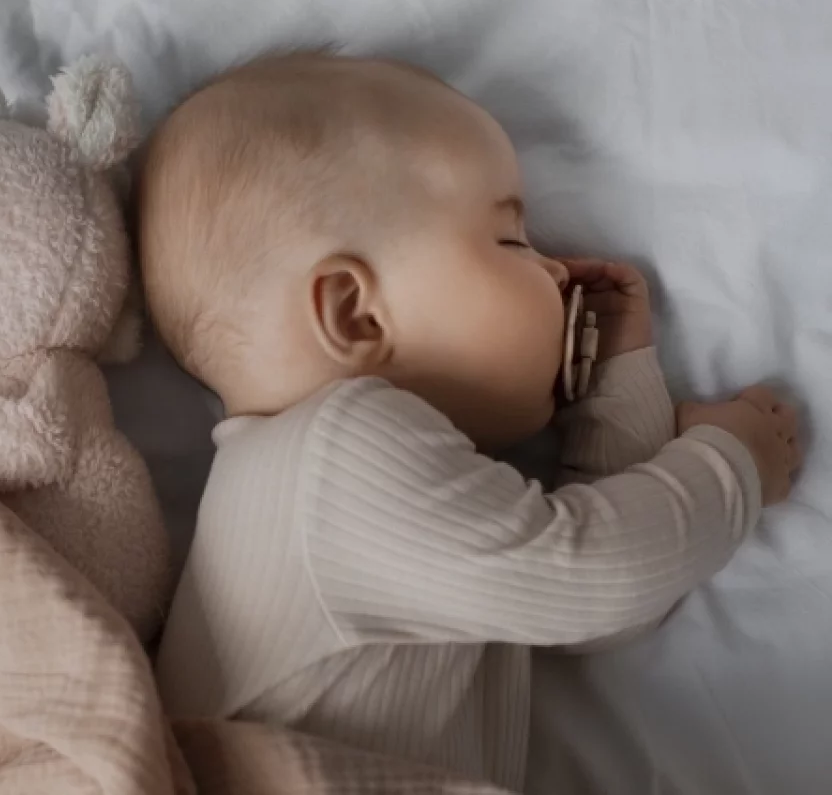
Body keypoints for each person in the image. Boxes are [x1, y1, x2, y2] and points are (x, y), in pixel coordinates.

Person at [137, 52, 801, 791]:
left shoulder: (336, 484)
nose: (556, 270)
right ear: (355, 314)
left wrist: (617, 381)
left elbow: (595, 603)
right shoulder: (334, 454)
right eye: (511, 240)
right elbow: (586, 577)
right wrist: (734, 462)